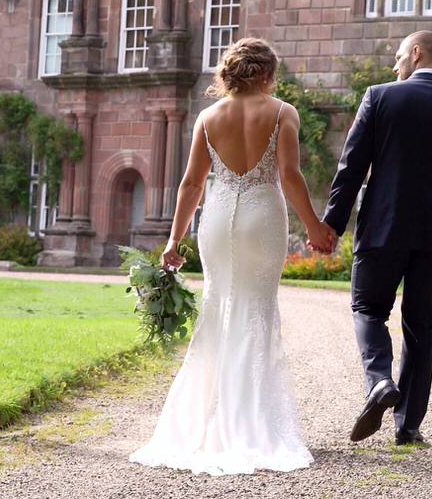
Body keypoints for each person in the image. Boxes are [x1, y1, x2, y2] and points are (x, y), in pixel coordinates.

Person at [130, 37, 336, 475]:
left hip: (218, 220)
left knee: (218, 307)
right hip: (262, 217)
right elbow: (290, 175)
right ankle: (250, 423)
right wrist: (315, 226)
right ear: (266, 74)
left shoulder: (207, 116)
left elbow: (190, 184)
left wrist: (173, 240)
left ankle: (207, 420)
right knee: (256, 310)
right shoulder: (282, 112)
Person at [320, 30, 432, 447]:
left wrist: (331, 226)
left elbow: (351, 169)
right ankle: (407, 426)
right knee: (422, 328)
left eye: (398, 57)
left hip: (383, 229)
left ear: (416, 55)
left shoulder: (379, 97)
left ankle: (379, 381)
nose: (394, 66)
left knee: (367, 308)